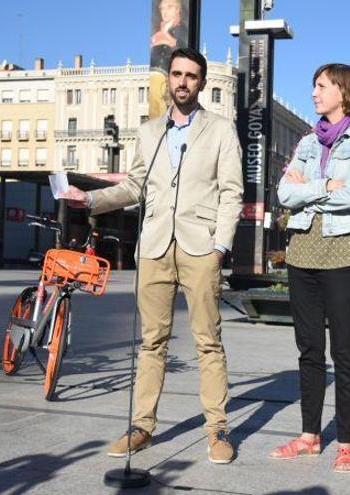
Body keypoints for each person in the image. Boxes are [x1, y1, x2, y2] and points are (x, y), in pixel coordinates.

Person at [60, 47, 243, 464]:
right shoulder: (149, 131)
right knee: (150, 342)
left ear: (201, 82)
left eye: (191, 76)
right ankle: (142, 426)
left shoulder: (219, 130)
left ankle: (217, 430)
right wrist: (88, 199)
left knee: (208, 342)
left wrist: (220, 246)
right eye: (176, 74)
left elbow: (232, 191)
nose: (182, 82)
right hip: (156, 247)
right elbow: (133, 187)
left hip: (201, 248)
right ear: (169, 80)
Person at [272, 63, 350, 473]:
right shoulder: (306, 142)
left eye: (321, 86)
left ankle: (347, 442)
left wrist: (306, 190)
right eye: (314, 86)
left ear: (342, 90)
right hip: (302, 252)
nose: (314, 93)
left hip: (345, 254)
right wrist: (321, 187)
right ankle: (309, 436)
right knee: (309, 350)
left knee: (344, 350)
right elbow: (284, 193)